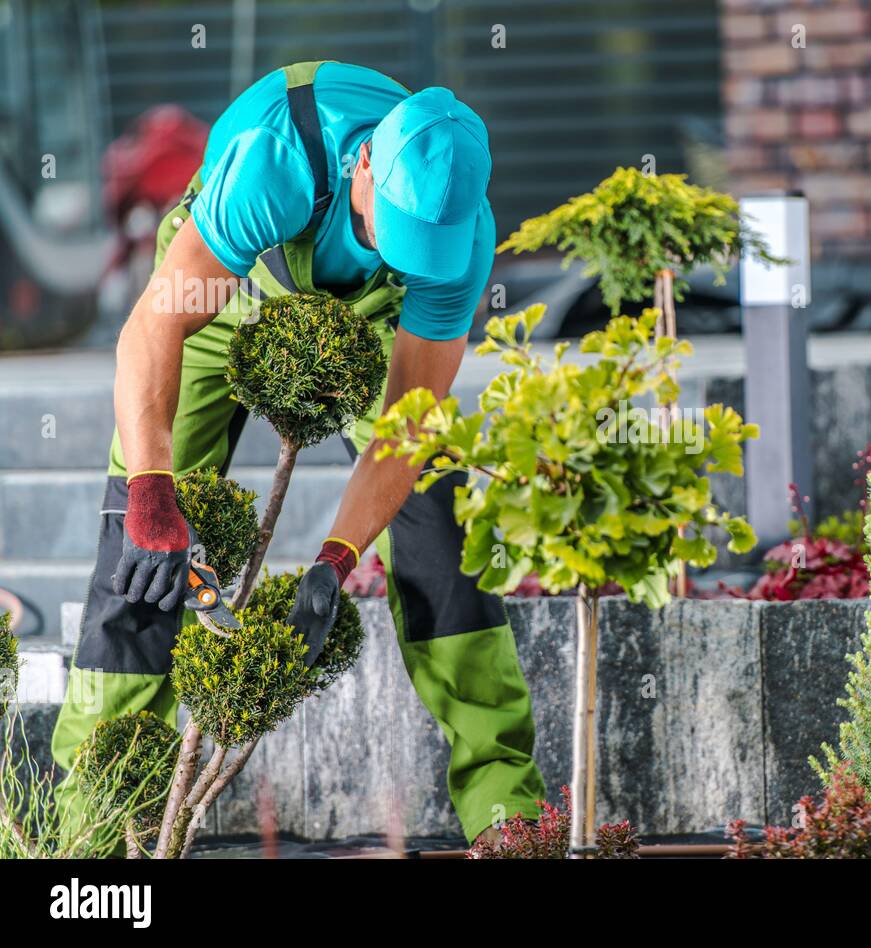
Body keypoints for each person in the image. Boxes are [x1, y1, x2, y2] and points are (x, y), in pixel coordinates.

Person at [51, 61, 544, 847]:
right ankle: (91, 830)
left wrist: (336, 559)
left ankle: (508, 814)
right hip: (227, 286)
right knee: (138, 547)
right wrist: (152, 492)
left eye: (430, 250)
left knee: (439, 524)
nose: (415, 255)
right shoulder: (274, 160)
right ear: (365, 168)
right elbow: (153, 327)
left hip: (368, 312)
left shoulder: (458, 242)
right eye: (398, 232)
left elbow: (404, 431)